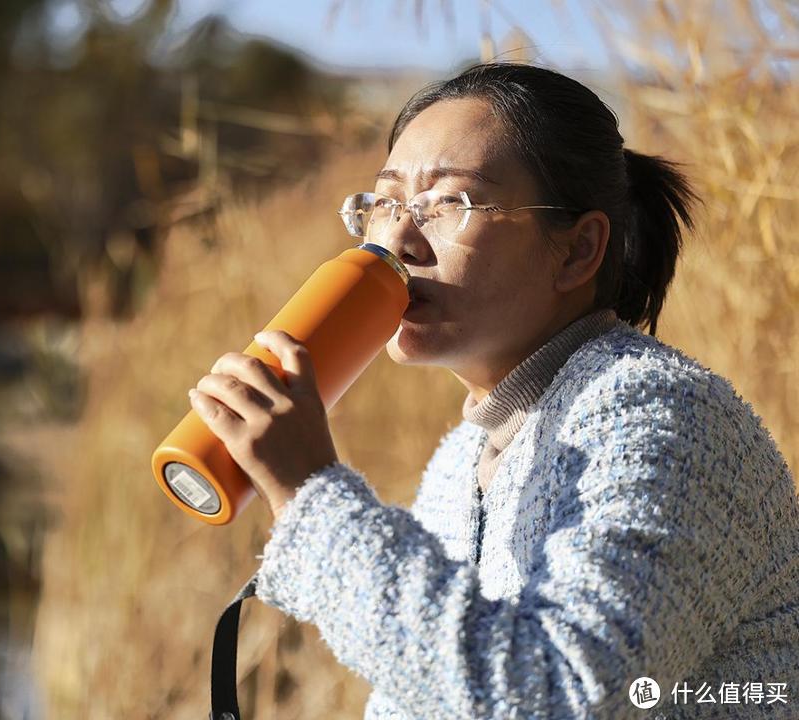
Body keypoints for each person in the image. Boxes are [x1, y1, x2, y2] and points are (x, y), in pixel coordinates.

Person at [186, 62, 799, 719]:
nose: (395, 241)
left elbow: (560, 697)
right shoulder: (458, 462)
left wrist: (311, 492)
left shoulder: (665, 413)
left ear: (577, 250)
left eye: (450, 202)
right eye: (384, 204)